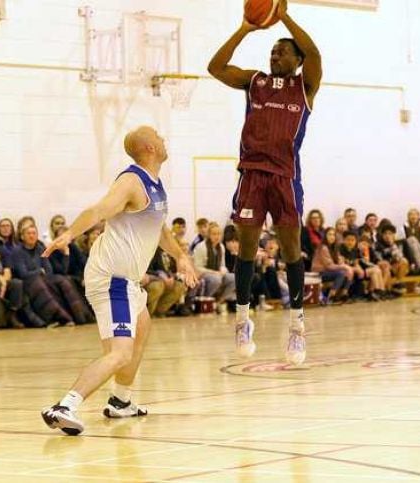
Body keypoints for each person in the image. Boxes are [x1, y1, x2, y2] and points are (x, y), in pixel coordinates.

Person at [40, 125, 197, 436]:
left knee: (143, 327)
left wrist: (180, 256)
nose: (164, 138)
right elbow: (98, 210)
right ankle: (64, 406)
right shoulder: (130, 182)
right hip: (112, 278)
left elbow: (160, 229)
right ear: (149, 148)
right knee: (120, 352)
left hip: (126, 281)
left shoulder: (155, 185)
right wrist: (70, 234)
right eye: (158, 136)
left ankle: (121, 401)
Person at [208, 0, 322, 364]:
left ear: (297, 60)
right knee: (246, 249)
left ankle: (297, 328)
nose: (275, 55)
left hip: (286, 177)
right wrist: (246, 27)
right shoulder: (254, 81)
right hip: (252, 174)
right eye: (273, 50)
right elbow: (215, 67)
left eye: (283, 51)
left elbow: (315, 51)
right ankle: (242, 320)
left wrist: (282, 14)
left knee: (291, 252)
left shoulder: (305, 86)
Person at [192, 222, 237, 311]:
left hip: (217, 273)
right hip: (203, 274)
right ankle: (206, 300)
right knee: (216, 279)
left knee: (234, 278)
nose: (217, 236)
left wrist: (223, 270)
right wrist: (215, 272)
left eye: (219, 234)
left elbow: (223, 265)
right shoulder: (201, 247)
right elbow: (197, 268)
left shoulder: (221, 247)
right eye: (214, 234)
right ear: (209, 235)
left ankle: (219, 301)